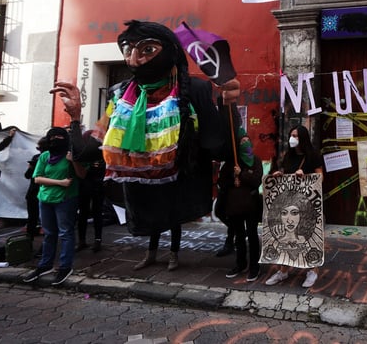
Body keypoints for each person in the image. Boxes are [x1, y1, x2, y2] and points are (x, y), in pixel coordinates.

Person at [50, 20, 239, 273]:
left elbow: (220, 147)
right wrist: (75, 117)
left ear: (170, 51)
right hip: (138, 187)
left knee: (172, 219)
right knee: (151, 219)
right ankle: (151, 254)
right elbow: (89, 150)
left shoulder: (195, 89)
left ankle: (173, 253)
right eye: (129, 51)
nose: (135, 60)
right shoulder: (118, 95)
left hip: (180, 183)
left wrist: (228, 106)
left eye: (147, 50)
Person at [22, 127, 86, 286]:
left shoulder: (71, 156)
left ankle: (65, 267)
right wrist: (60, 183)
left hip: (65, 199)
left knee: (65, 233)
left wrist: (74, 161)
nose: (55, 141)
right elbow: (37, 179)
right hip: (45, 199)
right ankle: (45, 265)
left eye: (59, 137)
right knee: (49, 233)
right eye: (52, 138)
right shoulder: (45, 156)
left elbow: (82, 175)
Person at [265, 125, 324, 288]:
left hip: (307, 203)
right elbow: (286, 175)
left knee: (308, 236)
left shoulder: (313, 156)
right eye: (291, 135)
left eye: (296, 136)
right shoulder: (288, 156)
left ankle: (313, 271)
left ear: (303, 138)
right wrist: (279, 175)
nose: (292, 138)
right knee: (287, 236)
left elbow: (320, 178)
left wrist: (305, 177)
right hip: (290, 202)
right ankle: (283, 270)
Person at [216, 127, 263, 281]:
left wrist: (241, 174)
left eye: (247, 140)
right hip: (234, 206)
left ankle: (255, 266)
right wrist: (232, 179)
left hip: (251, 205)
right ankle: (241, 263)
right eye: (242, 141)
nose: (245, 143)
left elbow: (256, 180)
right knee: (239, 236)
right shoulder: (232, 162)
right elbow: (221, 182)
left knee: (252, 235)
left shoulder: (255, 160)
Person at [75, 130, 106, 253]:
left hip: (96, 185)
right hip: (86, 185)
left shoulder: (101, 153)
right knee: (84, 213)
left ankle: (96, 240)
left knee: (96, 212)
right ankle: (83, 240)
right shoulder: (85, 154)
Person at [24, 136, 49, 239]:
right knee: (33, 219)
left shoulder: (49, 159)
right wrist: (32, 168)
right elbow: (28, 175)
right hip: (35, 192)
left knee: (41, 219)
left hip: (42, 192)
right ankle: (29, 241)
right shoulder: (36, 158)